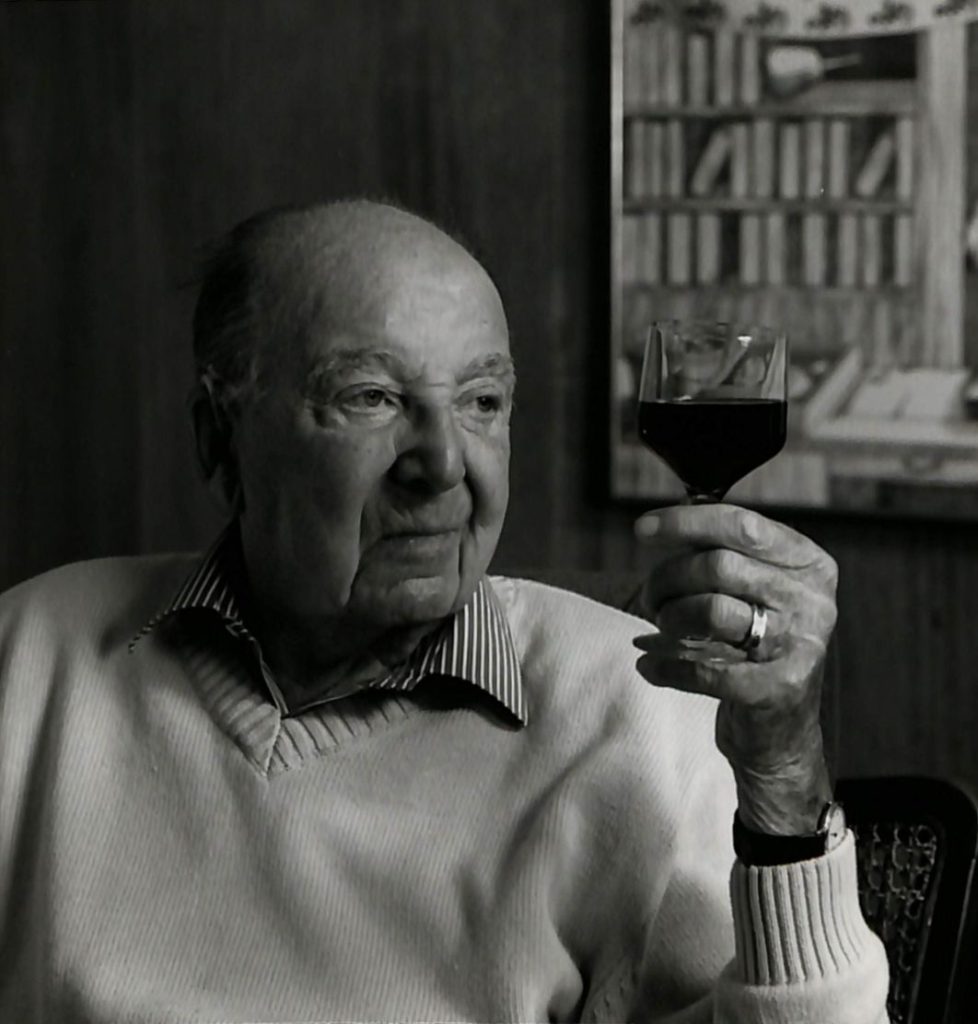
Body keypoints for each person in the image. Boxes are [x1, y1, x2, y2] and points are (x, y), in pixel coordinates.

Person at [0, 199, 888, 1023]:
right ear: (218, 439)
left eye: (481, 402)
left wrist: (781, 779)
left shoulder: (642, 705)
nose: (443, 462)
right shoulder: (30, 656)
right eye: (372, 397)